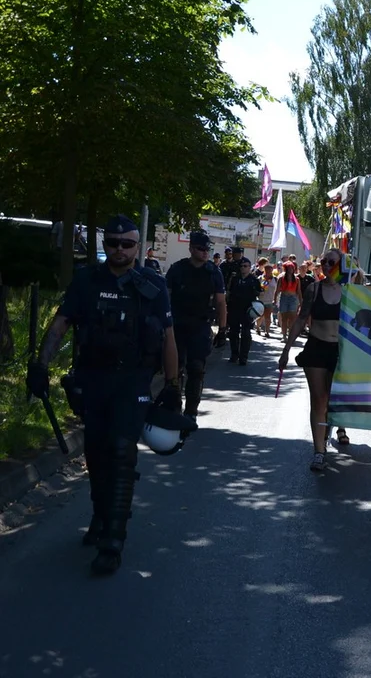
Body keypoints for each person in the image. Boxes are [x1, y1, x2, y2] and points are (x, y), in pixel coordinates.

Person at [26, 215, 179, 575]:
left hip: (133, 382)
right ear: (105, 244)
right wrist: (41, 364)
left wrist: (173, 387)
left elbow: (169, 337)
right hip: (94, 379)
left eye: (127, 243)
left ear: (137, 246)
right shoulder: (86, 280)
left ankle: (114, 537)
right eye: (113, 243)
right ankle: (99, 516)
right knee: (95, 453)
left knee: (123, 454)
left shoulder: (153, 285)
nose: (120, 250)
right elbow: (62, 322)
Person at [279, 249, 352, 472]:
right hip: (316, 348)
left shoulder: (352, 292)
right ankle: (319, 451)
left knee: (332, 399)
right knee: (318, 400)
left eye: (332, 262)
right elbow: (301, 319)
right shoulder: (314, 288)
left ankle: (330, 427)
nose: (327, 266)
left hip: (340, 351)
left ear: (342, 264)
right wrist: (286, 349)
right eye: (324, 262)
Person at [165, 231, 226, 425]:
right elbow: (165, 299)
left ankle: (191, 410)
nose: (205, 252)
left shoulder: (213, 272)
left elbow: (221, 302)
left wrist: (223, 329)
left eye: (208, 249)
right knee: (174, 369)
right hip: (176, 326)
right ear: (191, 248)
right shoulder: (177, 269)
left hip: (200, 325)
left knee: (197, 368)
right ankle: (173, 407)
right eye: (201, 248)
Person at [226, 257, 261, 365]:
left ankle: (243, 357)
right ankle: (234, 354)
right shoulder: (235, 278)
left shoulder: (253, 280)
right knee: (233, 332)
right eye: (241, 266)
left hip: (247, 310)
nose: (243, 268)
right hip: (234, 308)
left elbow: (258, 293)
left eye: (245, 266)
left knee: (246, 333)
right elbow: (229, 291)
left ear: (250, 268)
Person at [275, 261, 302, 342]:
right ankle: (284, 336)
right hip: (284, 297)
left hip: (293, 298)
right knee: (284, 318)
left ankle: (290, 335)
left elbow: (299, 291)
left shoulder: (297, 279)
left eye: (292, 268)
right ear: (286, 269)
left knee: (292, 319)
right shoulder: (281, 278)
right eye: (289, 268)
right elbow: (277, 290)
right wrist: (274, 299)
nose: (290, 269)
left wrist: (301, 301)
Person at [257, 263, 277, 337]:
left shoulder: (275, 279)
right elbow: (257, 289)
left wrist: (275, 299)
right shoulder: (260, 278)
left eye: (270, 270)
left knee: (268, 317)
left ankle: (267, 331)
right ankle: (258, 327)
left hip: (270, 300)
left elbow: (276, 290)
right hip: (261, 300)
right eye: (267, 270)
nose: (268, 271)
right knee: (260, 316)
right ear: (264, 270)